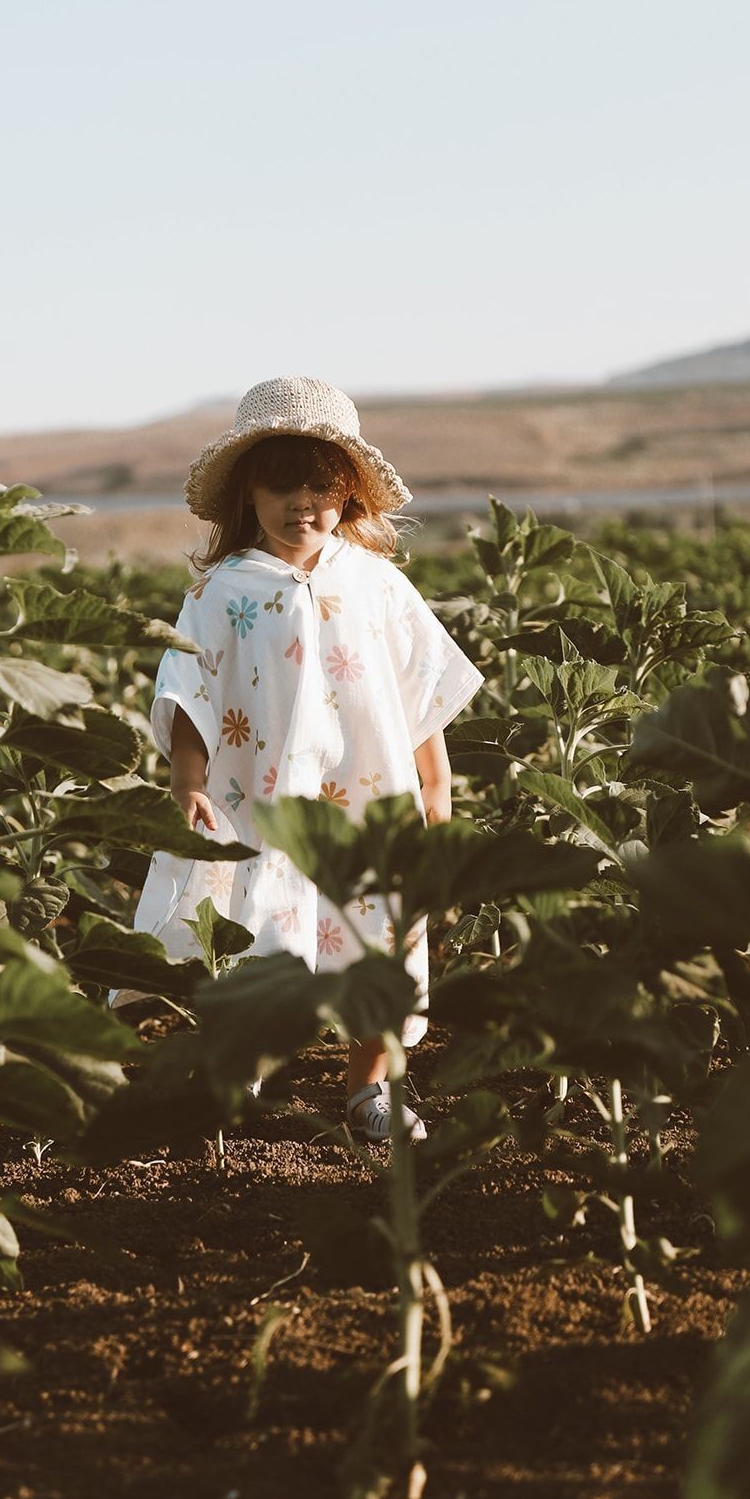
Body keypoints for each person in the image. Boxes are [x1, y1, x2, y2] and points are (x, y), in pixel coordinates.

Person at [109, 376, 484, 1142]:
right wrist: (185, 778)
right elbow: (191, 687)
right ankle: (238, 1079)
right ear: (248, 493)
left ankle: (367, 1093)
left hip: (367, 793)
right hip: (259, 795)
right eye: (281, 486)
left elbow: (416, 687)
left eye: (321, 487)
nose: (301, 504)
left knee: (379, 931)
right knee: (252, 930)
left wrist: (437, 785)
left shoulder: (377, 583)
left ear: (350, 496)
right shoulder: (220, 591)